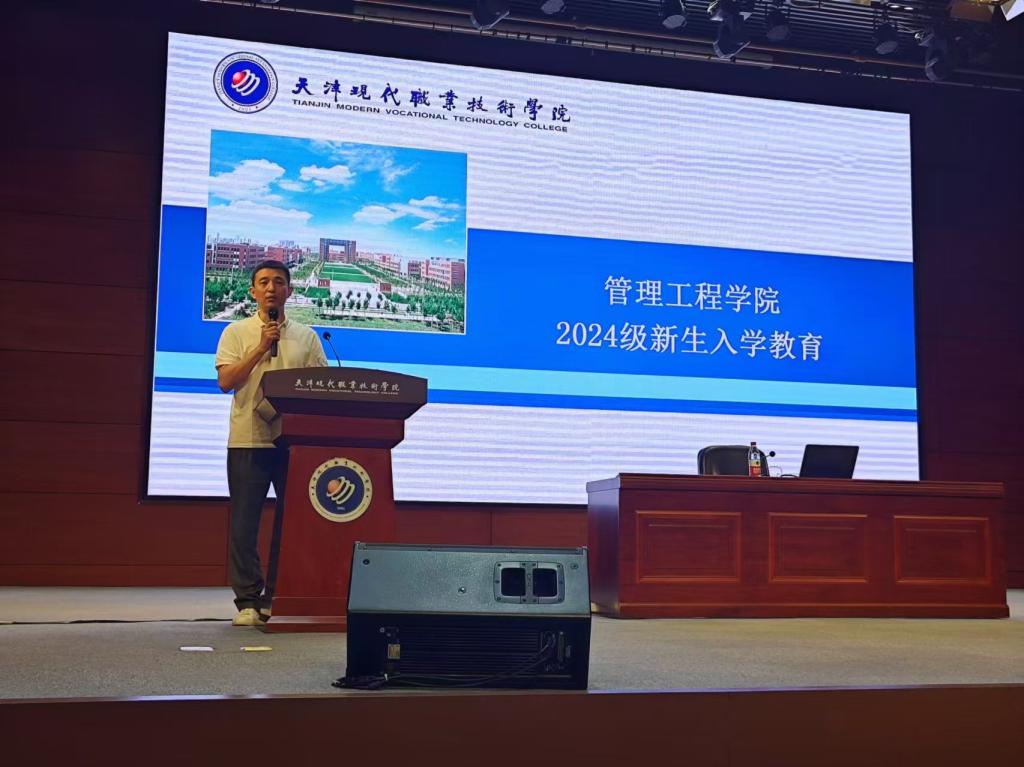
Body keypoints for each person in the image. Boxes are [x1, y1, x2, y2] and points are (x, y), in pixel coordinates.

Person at [215, 259, 328, 626]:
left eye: (278, 282)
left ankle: (275, 597)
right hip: (249, 439)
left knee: (291, 522)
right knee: (244, 525)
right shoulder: (236, 332)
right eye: (263, 282)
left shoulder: (307, 337)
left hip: (294, 444)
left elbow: (323, 387)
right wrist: (261, 347)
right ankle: (247, 601)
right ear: (252, 291)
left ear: (289, 291)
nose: (270, 288)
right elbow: (226, 381)